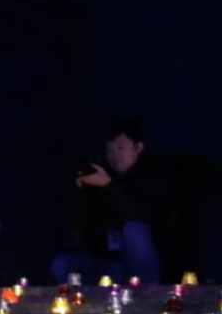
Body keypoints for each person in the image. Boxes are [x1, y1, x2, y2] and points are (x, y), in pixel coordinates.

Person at [51, 120, 174, 284]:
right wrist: (84, 192)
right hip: (111, 266)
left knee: (134, 229)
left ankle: (148, 294)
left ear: (138, 148)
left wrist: (108, 185)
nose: (114, 154)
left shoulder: (154, 176)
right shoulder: (104, 178)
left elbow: (140, 215)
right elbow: (83, 227)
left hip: (146, 267)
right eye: (110, 149)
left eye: (120, 148)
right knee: (62, 265)